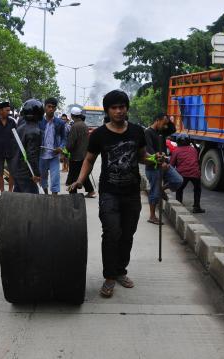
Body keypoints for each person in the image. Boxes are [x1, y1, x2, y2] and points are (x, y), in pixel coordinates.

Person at [68, 90, 158, 298]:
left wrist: (156, 160)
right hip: (109, 193)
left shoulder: (137, 132)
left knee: (127, 234)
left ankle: (120, 271)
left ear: (127, 108)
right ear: (108, 111)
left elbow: (143, 157)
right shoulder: (99, 134)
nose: (118, 111)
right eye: (114, 108)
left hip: (131, 193)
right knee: (111, 233)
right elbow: (89, 160)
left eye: (122, 107)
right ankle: (109, 277)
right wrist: (80, 180)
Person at [144, 113, 183, 224]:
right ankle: (152, 216)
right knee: (154, 193)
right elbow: (149, 150)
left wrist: (169, 121)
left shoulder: (161, 131)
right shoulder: (148, 132)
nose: (165, 126)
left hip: (165, 164)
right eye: (164, 123)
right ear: (157, 120)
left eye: (166, 124)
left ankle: (162, 189)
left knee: (178, 180)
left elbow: (172, 129)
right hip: (153, 166)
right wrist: (160, 162)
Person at [10, 99, 43, 194]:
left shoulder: (20, 128)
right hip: (28, 173)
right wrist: (36, 173)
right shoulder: (35, 132)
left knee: (18, 201)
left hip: (17, 170)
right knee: (31, 204)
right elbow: (32, 155)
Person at [65, 106, 96, 197]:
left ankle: (73, 194)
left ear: (72, 115)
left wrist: (66, 152)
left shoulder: (74, 126)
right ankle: (90, 191)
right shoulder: (84, 125)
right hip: (84, 155)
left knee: (73, 176)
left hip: (76, 156)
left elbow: (71, 143)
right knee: (83, 174)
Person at [171, 133, 205, 213]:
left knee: (179, 189)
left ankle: (179, 207)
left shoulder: (176, 151)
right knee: (197, 189)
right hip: (195, 173)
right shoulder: (193, 150)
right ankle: (196, 207)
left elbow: (172, 164)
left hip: (182, 174)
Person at [38, 97, 66, 195]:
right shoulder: (39, 121)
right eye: (49, 106)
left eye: (53, 107)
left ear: (55, 108)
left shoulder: (60, 123)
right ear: (45, 107)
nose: (51, 109)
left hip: (54, 155)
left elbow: (64, 138)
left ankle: (54, 199)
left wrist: (61, 147)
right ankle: (46, 196)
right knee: (42, 178)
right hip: (41, 155)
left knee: (55, 178)